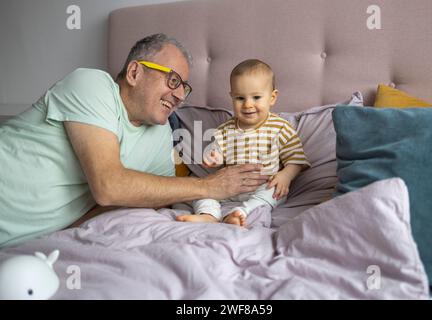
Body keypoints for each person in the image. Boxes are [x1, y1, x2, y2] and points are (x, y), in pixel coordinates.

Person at [0, 34, 268, 248]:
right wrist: (210, 186)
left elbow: (146, 196)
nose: (179, 96)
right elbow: (109, 186)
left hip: (15, 243)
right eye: (173, 80)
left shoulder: (161, 137)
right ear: (134, 73)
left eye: (183, 88)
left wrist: (70, 228)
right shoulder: (91, 85)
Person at [176, 59, 310, 227]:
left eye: (256, 97)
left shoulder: (280, 127)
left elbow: (295, 159)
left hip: (263, 185)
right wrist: (214, 158)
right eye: (240, 98)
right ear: (232, 97)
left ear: (272, 97)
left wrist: (285, 176)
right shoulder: (225, 130)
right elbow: (218, 154)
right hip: (231, 188)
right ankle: (209, 214)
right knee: (200, 190)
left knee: (275, 192)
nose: (247, 104)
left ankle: (241, 212)